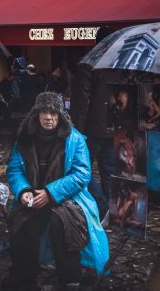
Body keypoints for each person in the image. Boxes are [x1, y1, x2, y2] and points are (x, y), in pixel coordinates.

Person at [2, 92, 109, 291]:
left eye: (53, 112)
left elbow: (82, 174)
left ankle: (69, 279)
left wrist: (51, 193)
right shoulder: (25, 137)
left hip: (67, 198)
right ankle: (24, 277)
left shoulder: (74, 139)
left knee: (62, 223)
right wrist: (23, 190)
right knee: (21, 220)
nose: (48, 117)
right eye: (44, 111)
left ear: (60, 115)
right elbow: (15, 168)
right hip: (33, 195)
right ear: (37, 114)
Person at [70, 26, 128, 219]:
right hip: (114, 128)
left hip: (91, 129)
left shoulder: (88, 63)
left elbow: (81, 100)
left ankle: (102, 206)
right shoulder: (119, 64)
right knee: (109, 171)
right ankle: (110, 211)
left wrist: (75, 130)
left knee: (80, 168)